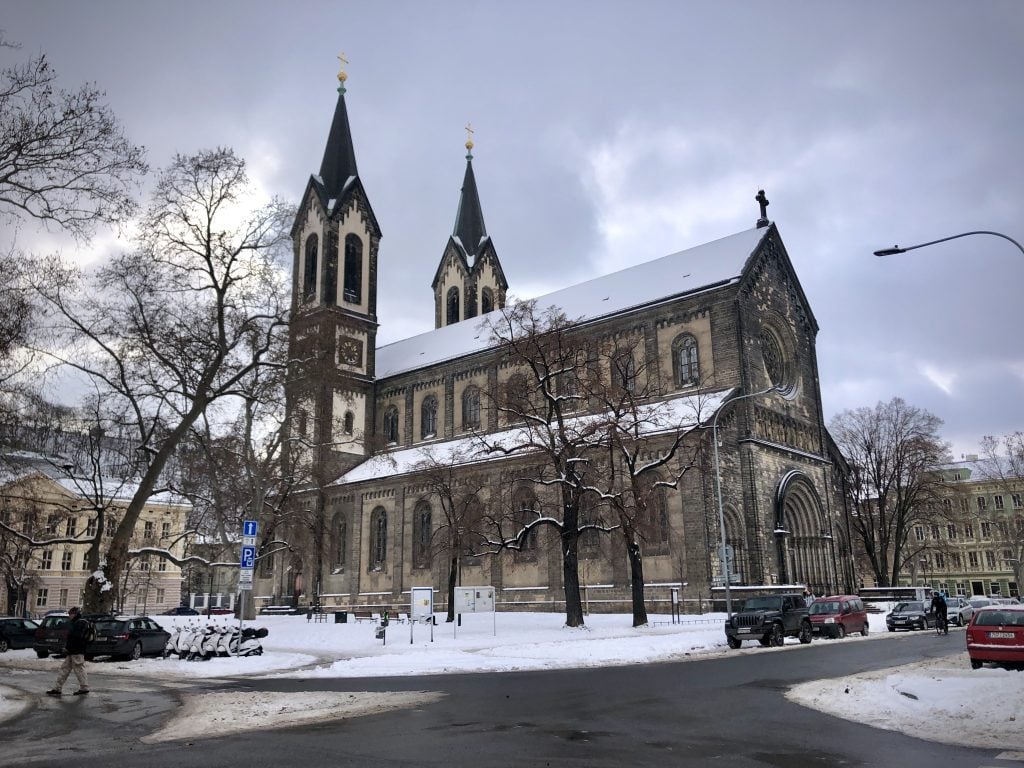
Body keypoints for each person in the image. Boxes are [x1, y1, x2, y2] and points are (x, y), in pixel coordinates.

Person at [46, 607, 90, 696]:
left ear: (75, 614)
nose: (69, 616)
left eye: (71, 614)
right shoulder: (78, 622)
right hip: (73, 651)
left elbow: (75, 638)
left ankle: (84, 688)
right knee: (65, 669)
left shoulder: (79, 623)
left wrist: (68, 648)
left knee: (78, 669)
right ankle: (57, 688)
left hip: (77, 651)